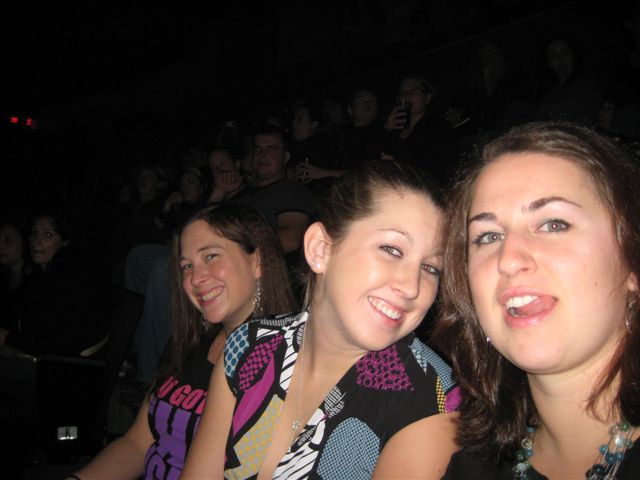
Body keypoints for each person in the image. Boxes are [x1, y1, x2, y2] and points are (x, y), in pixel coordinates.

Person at [182, 160, 460, 479]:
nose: (412, 287)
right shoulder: (249, 346)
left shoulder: (433, 401)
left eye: (431, 268)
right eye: (392, 250)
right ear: (320, 249)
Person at [436, 122, 640, 478]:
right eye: (488, 236)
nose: (509, 259)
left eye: (553, 224)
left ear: (631, 263)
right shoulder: (471, 469)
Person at [70, 203, 297, 480]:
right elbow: (138, 442)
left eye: (211, 256)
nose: (195, 278)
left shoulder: (286, 362)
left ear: (257, 261)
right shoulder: (191, 342)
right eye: (187, 266)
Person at [1, 211, 111, 356]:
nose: (36, 241)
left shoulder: (73, 279)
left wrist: (8, 338)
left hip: (69, 364)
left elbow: (59, 343)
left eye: (47, 235)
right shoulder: (39, 275)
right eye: (34, 233)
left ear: (64, 241)